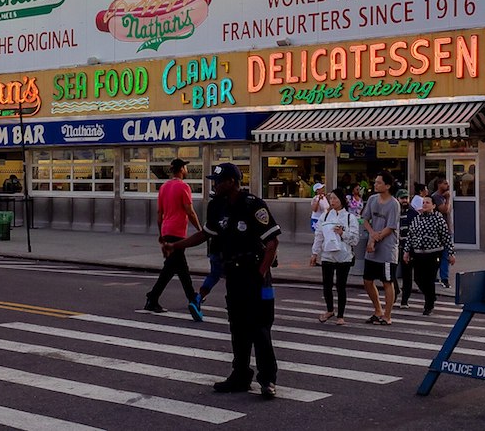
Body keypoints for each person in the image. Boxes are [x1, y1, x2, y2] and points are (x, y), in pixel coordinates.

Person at [163, 163, 281, 399]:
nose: (214, 185)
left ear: (232, 182)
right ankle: (240, 375)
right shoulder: (217, 206)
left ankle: (267, 380)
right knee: (237, 328)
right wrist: (176, 245)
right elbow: (204, 234)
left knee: (259, 329)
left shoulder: (253, 204)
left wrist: (260, 272)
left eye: (218, 181)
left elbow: (272, 243)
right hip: (234, 275)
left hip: (255, 274)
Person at [144, 158, 201, 315]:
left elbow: (159, 213)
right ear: (182, 169)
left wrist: (161, 234)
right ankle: (190, 298)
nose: (186, 170)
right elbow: (189, 211)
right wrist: (200, 229)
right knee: (177, 266)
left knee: (175, 268)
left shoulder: (163, 187)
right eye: (185, 167)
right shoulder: (184, 187)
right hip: (178, 233)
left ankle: (190, 297)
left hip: (167, 230)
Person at [310, 187, 359, 325]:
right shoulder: (325, 216)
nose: (332, 201)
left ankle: (341, 315)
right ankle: (329, 309)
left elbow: (355, 239)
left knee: (340, 286)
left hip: (344, 256)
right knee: (327, 285)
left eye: (335, 198)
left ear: (342, 200)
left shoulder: (350, 218)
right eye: (331, 198)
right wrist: (315, 253)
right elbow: (319, 236)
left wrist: (342, 233)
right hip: (327, 255)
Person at [403, 195, 456, 315]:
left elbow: (446, 237)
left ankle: (428, 304)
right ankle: (430, 295)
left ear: (433, 206)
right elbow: (410, 236)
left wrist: (451, 253)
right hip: (418, 254)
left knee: (429, 279)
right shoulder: (417, 219)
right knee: (418, 278)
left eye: (427, 203)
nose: (425, 205)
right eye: (423, 202)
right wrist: (406, 252)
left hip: (433, 254)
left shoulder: (438, 219)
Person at [361, 170, 400, 325]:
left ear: (388, 185)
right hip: (372, 247)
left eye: (379, 182)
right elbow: (364, 219)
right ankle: (377, 310)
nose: (375, 185)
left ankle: (387, 315)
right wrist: (371, 234)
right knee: (367, 280)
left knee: (387, 282)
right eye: (375, 182)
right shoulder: (372, 199)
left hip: (387, 249)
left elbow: (390, 227)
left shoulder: (394, 204)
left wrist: (375, 239)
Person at [396, 188, 417, 309]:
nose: (404, 200)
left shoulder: (413, 213)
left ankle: (405, 300)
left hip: (407, 247)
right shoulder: (395, 211)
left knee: (407, 274)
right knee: (390, 273)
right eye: (402, 198)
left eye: (406, 198)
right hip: (394, 246)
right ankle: (395, 291)